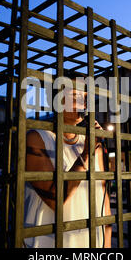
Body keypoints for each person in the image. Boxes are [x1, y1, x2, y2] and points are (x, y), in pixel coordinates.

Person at [23, 80, 112, 248]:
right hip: (47, 243)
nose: (84, 103)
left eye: (85, 97)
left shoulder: (93, 145)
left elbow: (103, 202)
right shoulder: (37, 138)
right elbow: (55, 198)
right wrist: (86, 154)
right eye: (76, 96)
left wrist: (106, 245)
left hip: (90, 242)